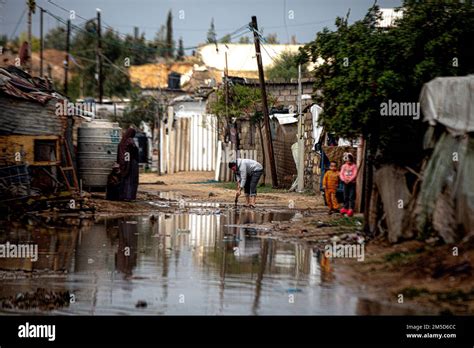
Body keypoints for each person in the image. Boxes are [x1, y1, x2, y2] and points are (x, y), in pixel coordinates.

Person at [117, 127, 139, 201]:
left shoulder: (122, 142)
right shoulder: (130, 141)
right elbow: (133, 152)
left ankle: (123, 195)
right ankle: (129, 196)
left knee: (125, 179)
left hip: (124, 163)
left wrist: (123, 164)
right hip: (131, 163)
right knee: (132, 180)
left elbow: (121, 155)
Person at [339, 153, 357, 217]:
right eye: (347, 160)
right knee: (345, 196)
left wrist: (350, 180)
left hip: (352, 183)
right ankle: (345, 208)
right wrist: (344, 180)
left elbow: (355, 174)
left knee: (351, 196)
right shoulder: (344, 166)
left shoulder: (354, 166)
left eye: (350, 160)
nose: (348, 162)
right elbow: (341, 173)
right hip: (345, 183)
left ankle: (351, 208)